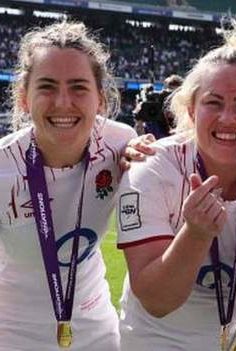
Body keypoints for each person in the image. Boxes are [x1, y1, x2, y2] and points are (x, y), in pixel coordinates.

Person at [117, 19, 236, 350]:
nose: (227, 118)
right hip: (155, 340)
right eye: (213, 102)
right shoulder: (153, 167)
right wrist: (195, 234)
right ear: (192, 109)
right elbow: (156, 301)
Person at [0, 21, 146, 351]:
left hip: (96, 332)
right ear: (24, 98)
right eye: (47, 87)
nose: (63, 102)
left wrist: (148, 166)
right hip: (12, 333)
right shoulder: (3, 167)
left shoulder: (122, 144)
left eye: (79, 87)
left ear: (101, 98)